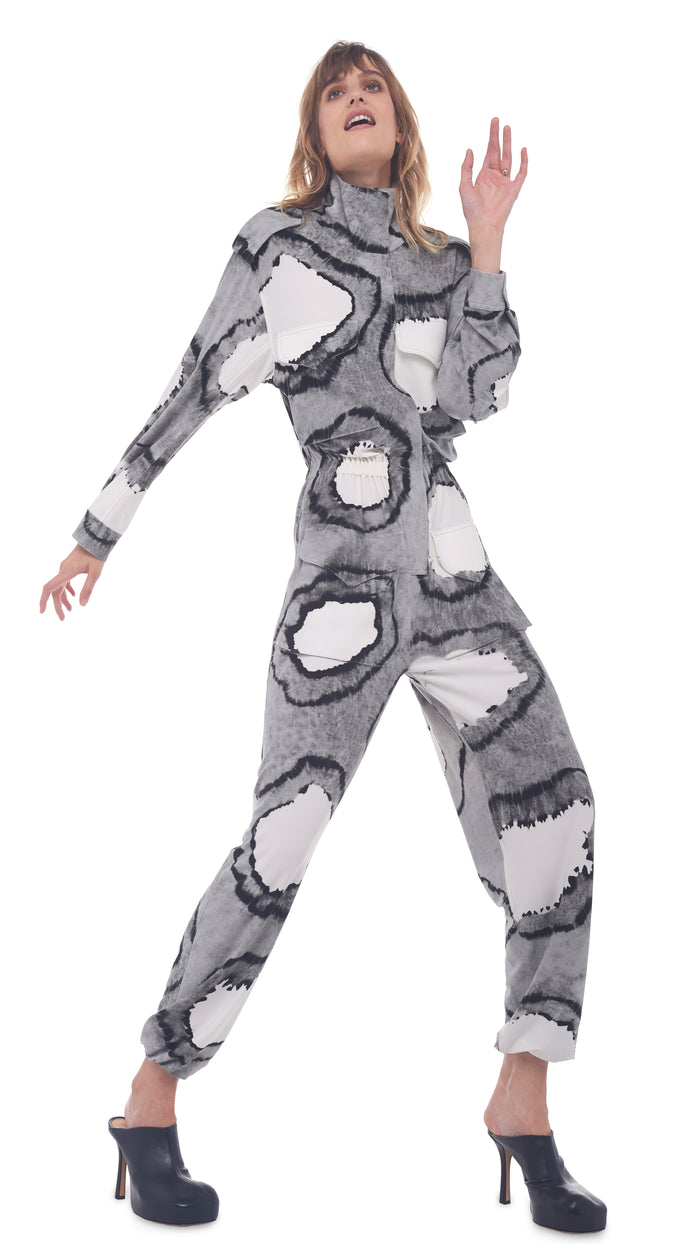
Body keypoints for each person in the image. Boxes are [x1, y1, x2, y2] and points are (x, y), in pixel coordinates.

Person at [39, 40, 607, 1233]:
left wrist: (489, 246)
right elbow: (193, 384)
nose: (357, 99)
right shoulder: (278, 246)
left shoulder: (441, 258)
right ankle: (149, 1098)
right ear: (316, 130)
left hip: (459, 585)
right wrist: (97, 534)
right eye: (336, 92)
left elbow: (479, 396)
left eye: (373, 88)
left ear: (398, 124)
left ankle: (524, 1097)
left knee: (557, 806)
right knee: (281, 839)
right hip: (339, 595)